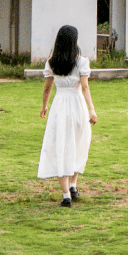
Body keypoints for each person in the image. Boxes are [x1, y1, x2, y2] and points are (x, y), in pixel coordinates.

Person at [38, 23, 97, 206]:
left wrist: (44, 106)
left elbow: (47, 88)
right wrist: (92, 109)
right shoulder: (81, 62)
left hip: (60, 106)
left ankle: (66, 194)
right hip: (77, 105)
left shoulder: (51, 63)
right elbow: (85, 87)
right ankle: (73, 184)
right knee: (79, 142)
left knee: (60, 146)